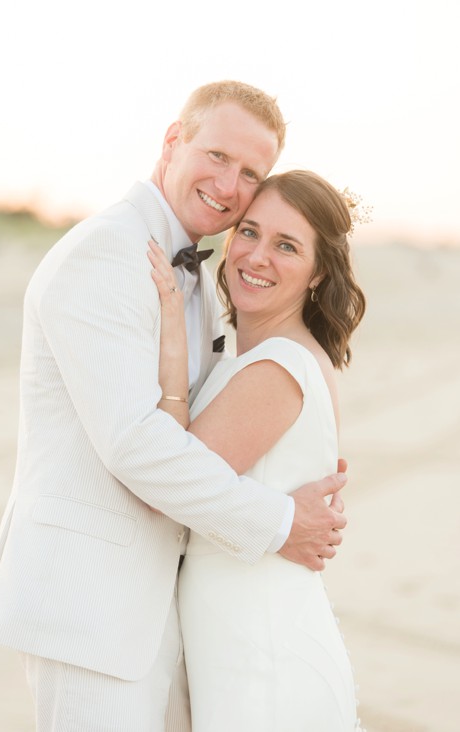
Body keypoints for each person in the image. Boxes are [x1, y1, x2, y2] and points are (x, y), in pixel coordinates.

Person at [0, 81, 349, 730]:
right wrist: (281, 521)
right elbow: (136, 443)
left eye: (250, 173)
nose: (230, 186)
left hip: (153, 612)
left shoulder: (197, 273)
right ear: (173, 140)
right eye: (218, 157)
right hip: (91, 605)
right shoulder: (109, 250)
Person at [147, 170, 366, 730]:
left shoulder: (278, 368)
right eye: (249, 232)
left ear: (318, 274)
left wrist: (172, 339)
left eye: (286, 245)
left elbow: (171, 483)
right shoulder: (257, 358)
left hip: (264, 661)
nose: (257, 255)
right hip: (242, 647)